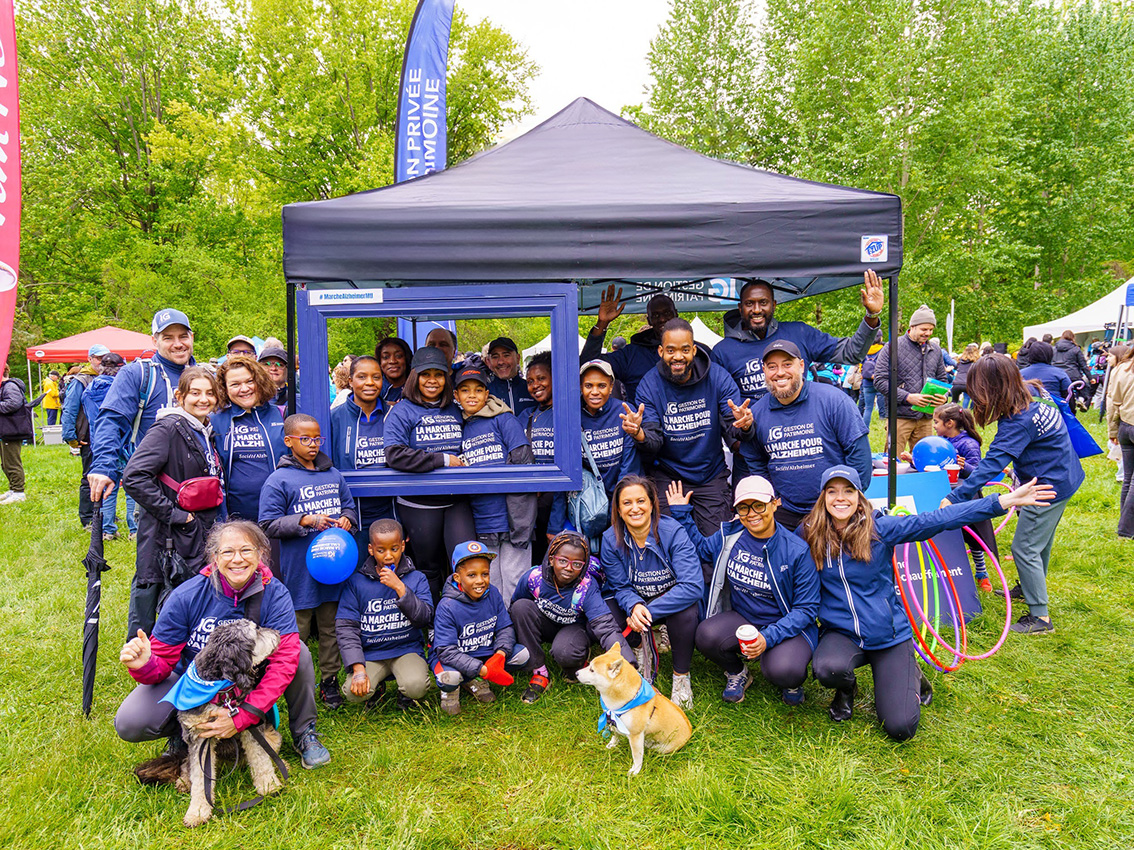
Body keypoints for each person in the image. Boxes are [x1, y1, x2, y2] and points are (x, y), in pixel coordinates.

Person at [803, 466, 1053, 741]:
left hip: (888, 635)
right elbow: (778, 548)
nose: (841, 498)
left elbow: (939, 519)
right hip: (842, 634)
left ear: (859, 496)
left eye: (848, 491)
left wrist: (1001, 501)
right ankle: (846, 689)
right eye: (832, 492)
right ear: (823, 498)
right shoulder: (809, 533)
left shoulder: (880, 529)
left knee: (901, 727)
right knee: (827, 669)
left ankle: (910, 668)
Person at [114, 520, 331, 769]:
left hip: (247, 683)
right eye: (228, 552)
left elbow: (284, 662)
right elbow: (162, 663)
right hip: (194, 684)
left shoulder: (276, 594)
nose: (237, 559)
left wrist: (243, 716)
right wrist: (144, 665)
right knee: (130, 722)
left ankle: (304, 732)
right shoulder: (187, 595)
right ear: (215, 558)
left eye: (246, 550)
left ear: (260, 553)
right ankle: (184, 732)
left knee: (299, 653)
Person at [942, 354, 1085, 633]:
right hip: (1065, 474)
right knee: (1038, 543)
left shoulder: (1019, 420)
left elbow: (991, 465)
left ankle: (1040, 618)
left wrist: (956, 496)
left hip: (1044, 487)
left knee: (1025, 547)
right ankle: (1031, 586)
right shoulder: (1033, 390)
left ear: (993, 387)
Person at [89, 310, 198, 628]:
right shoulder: (138, 374)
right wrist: (104, 466)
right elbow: (111, 420)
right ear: (155, 340)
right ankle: (143, 649)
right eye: (168, 337)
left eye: (183, 336)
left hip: (200, 492)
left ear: (192, 337)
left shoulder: (205, 374)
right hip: (154, 491)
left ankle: (192, 643)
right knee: (152, 570)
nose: (177, 344)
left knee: (197, 567)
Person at [671, 476, 818, 706]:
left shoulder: (797, 550)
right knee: (706, 635)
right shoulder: (730, 536)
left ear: (775, 503)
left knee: (784, 670)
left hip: (786, 624)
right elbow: (701, 549)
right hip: (745, 618)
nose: (752, 513)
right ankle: (738, 672)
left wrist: (767, 638)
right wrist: (681, 512)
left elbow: (807, 609)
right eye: (743, 507)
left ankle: (791, 680)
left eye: (759, 505)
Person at [259, 414, 358, 709]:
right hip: (299, 571)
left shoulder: (333, 475)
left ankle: (329, 682)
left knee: (331, 627)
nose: (313, 445)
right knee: (297, 631)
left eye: (317, 438)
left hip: (334, 568)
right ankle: (289, 684)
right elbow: (267, 524)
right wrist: (303, 519)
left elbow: (351, 508)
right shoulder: (279, 480)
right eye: (305, 439)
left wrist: (347, 521)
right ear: (289, 442)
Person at [625, 318, 755, 537]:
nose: (678, 357)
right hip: (669, 476)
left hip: (710, 475)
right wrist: (639, 434)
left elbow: (733, 429)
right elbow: (654, 442)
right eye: (671, 350)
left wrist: (745, 426)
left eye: (685, 349)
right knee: (670, 542)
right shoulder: (649, 385)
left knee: (716, 544)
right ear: (660, 351)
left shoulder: (718, 377)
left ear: (694, 350)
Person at [121, 367, 226, 635]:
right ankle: (143, 663)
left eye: (210, 393)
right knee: (153, 589)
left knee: (190, 595)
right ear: (180, 396)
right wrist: (177, 515)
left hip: (196, 531)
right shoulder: (167, 428)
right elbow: (134, 476)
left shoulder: (204, 430)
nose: (203, 399)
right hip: (165, 533)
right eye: (195, 393)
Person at [739, 340, 872, 531]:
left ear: (801, 366)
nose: (780, 372)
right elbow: (754, 458)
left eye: (787, 364)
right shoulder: (757, 413)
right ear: (764, 371)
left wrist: (849, 500)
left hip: (834, 510)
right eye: (772, 367)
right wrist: (772, 498)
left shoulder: (834, 400)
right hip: (785, 514)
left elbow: (859, 455)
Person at [600, 475, 704, 709]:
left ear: (652, 504)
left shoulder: (672, 531)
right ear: (618, 508)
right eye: (627, 503)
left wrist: (647, 610)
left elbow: (693, 585)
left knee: (686, 612)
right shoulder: (610, 539)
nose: (635, 508)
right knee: (608, 610)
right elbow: (620, 586)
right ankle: (639, 652)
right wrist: (634, 606)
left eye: (641, 501)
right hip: (637, 601)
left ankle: (681, 678)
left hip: (670, 599)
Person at [383, 346, 475, 602]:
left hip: (456, 500)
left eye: (439, 374)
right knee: (429, 567)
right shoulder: (403, 411)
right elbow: (395, 454)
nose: (432, 380)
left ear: (447, 378)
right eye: (426, 374)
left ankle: (467, 621)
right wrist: (442, 459)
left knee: (465, 562)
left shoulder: (456, 409)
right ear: (415, 377)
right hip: (418, 503)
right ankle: (433, 623)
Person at [711, 272, 884, 405]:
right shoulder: (722, 352)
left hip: (801, 436)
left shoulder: (799, 333)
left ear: (774, 305)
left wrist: (871, 315)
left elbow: (851, 353)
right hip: (753, 442)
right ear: (740, 308)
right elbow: (717, 402)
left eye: (763, 302)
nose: (757, 310)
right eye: (750, 304)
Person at [510, 531, 632, 703]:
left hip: (573, 627)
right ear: (551, 559)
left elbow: (607, 628)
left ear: (584, 565)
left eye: (577, 564)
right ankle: (539, 671)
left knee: (565, 653)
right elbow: (515, 608)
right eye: (563, 561)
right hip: (545, 624)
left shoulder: (586, 587)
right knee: (520, 607)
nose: (568, 568)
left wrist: (629, 667)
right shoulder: (533, 578)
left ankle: (577, 659)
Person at [454, 363, 535, 600]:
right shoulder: (460, 427)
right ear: (456, 396)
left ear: (487, 394)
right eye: (465, 390)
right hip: (481, 517)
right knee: (490, 582)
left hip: (512, 518)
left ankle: (518, 630)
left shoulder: (503, 420)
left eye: (478, 390)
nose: (472, 395)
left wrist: (521, 517)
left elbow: (523, 461)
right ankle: (497, 630)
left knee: (515, 579)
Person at [336, 519, 434, 710]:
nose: (388, 556)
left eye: (395, 549)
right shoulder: (356, 583)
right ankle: (377, 688)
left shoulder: (417, 578)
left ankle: (405, 693)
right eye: (381, 550)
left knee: (416, 686)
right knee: (352, 692)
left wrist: (400, 588)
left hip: (406, 649)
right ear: (371, 549)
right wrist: (358, 668)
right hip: (371, 654)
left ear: (403, 546)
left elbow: (424, 618)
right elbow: (346, 628)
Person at [900, 403, 998, 592]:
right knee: (948, 534)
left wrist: (965, 467)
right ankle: (947, 569)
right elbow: (932, 463)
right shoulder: (941, 440)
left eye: (936, 422)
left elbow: (978, 473)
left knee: (972, 535)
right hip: (942, 493)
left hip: (967, 497)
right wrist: (913, 460)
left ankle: (981, 572)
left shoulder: (968, 443)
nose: (934, 425)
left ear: (950, 423)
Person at [431, 541, 530, 716]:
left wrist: (500, 655)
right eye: (471, 575)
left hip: (482, 651)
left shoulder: (493, 593)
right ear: (457, 578)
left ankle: (474, 681)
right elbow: (446, 651)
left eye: (485, 574)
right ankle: (451, 691)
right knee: (449, 677)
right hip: (452, 658)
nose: (480, 581)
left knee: (521, 655)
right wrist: (483, 670)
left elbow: (505, 627)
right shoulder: (447, 606)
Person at [329, 355, 395, 561]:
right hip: (350, 515)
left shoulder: (394, 414)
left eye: (376, 377)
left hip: (389, 511)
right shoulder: (334, 417)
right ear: (350, 381)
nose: (369, 383)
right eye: (361, 376)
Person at [210, 355, 286, 523]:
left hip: (281, 515)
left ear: (259, 381)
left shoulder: (281, 414)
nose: (244, 389)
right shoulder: (216, 421)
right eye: (235, 384)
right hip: (237, 519)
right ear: (225, 388)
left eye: (249, 381)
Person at [578, 287, 678, 403]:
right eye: (655, 315)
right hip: (641, 419)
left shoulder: (694, 352)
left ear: (676, 314)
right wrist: (602, 323)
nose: (662, 319)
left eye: (667, 313)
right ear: (649, 320)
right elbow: (588, 363)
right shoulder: (631, 355)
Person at [872, 304, 950, 454]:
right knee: (892, 460)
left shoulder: (935, 350)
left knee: (925, 459)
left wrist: (944, 397)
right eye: (924, 329)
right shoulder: (892, 347)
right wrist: (907, 397)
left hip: (926, 418)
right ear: (912, 326)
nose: (928, 333)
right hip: (899, 415)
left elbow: (942, 379)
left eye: (931, 329)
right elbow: (880, 381)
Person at [81, 355, 138, 539]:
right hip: (126, 443)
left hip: (101, 443)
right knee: (131, 487)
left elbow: (92, 419)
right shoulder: (122, 389)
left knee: (107, 487)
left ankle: (107, 529)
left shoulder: (88, 390)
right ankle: (134, 528)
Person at [62, 344, 108, 528]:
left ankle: (105, 513)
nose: (101, 362)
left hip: (106, 434)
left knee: (108, 474)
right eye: (98, 358)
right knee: (89, 476)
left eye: (104, 358)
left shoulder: (109, 377)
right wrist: (70, 436)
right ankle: (88, 517)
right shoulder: (80, 381)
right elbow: (69, 409)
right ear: (89, 359)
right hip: (87, 435)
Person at [522, 352, 556, 561]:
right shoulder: (527, 416)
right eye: (530, 381)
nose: (536, 385)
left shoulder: (568, 410)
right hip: (534, 503)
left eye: (541, 378)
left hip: (561, 501)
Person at [1107, 345, 1134, 537]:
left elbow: (1112, 402)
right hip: (1127, 423)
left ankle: (1124, 522)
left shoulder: (1121, 369)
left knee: (1128, 478)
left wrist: (1113, 430)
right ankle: (1125, 530)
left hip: (1125, 426)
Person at [0, 365, 32, 505]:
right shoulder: (5, 386)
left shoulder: (10, 386)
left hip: (12, 429)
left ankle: (19, 491)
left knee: (12, 462)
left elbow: (13, 403)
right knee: (6, 463)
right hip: (7, 429)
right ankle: (13, 489)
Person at [484, 336, 536, 418]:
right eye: (495, 357)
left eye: (506, 355)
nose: (501, 362)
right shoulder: (485, 394)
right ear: (488, 362)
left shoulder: (533, 390)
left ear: (518, 358)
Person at [1052, 330, 1090, 409]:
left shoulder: (1054, 349)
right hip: (1073, 375)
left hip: (1057, 375)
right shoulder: (1076, 349)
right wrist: (1091, 377)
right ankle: (1081, 400)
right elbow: (1083, 365)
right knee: (1084, 388)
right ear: (1073, 338)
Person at [375, 337, 412, 404]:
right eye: (386, 357)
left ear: (407, 358)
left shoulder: (418, 386)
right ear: (380, 362)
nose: (392, 361)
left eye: (398, 356)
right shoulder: (374, 388)